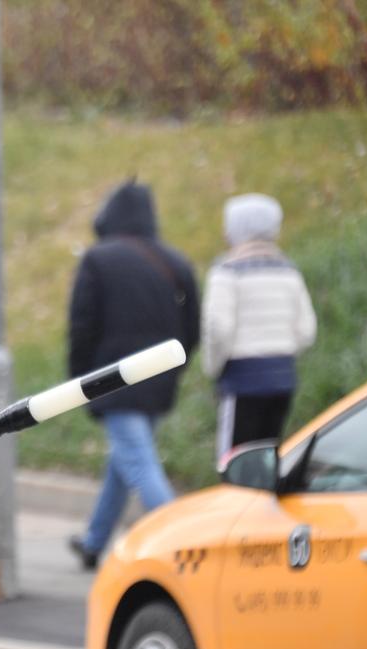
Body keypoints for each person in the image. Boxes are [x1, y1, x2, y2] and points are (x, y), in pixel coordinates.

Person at [66, 180, 199, 570]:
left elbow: (82, 326)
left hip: (113, 379)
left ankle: (185, 544)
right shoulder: (176, 262)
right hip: (159, 380)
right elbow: (192, 329)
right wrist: (173, 368)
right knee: (125, 460)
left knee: (137, 462)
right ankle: (94, 541)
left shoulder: (97, 260)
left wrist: (80, 382)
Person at [202, 193, 316, 466]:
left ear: (234, 230)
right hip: (283, 379)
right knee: (267, 459)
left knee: (234, 461)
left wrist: (213, 367)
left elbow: (218, 329)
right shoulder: (288, 270)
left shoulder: (226, 271)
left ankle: (237, 507)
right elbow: (306, 330)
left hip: (242, 380)